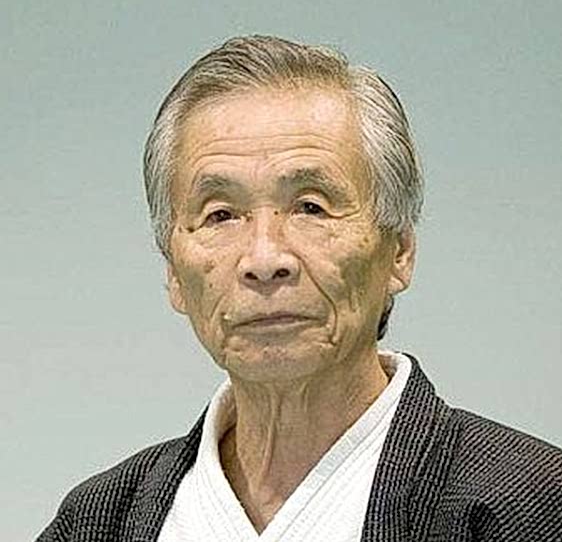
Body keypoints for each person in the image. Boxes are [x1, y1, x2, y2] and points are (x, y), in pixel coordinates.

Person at [37, 35, 561, 542]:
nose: (265, 259)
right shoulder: (99, 521)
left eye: (311, 207)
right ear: (173, 271)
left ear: (399, 250)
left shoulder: (531, 504)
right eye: (220, 215)